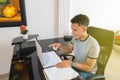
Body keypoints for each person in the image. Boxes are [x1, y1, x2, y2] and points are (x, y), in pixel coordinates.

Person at [49, 14, 100, 80]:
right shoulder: (75, 37)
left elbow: (89, 67)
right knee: (57, 71)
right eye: (72, 29)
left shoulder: (93, 45)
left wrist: (72, 63)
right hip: (76, 66)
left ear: (84, 29)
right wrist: (60, 46)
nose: (72, 32)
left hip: (87, 72)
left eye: (75, 30)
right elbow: (68, 50)